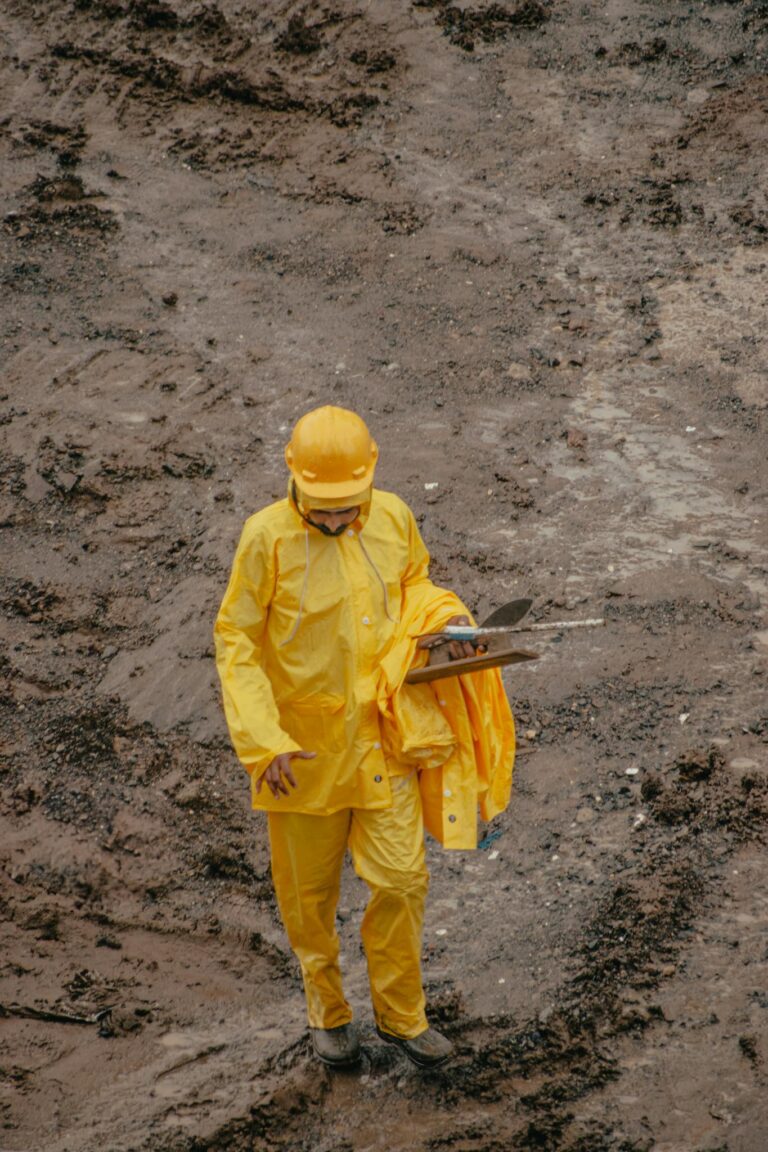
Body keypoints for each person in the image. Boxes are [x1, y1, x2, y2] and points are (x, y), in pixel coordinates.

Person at [214, 405, 516, 1069]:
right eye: (321, 509)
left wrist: (446, 630)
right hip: (301, 756)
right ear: (293, 480)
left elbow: (416, 586)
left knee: (404, 882)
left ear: (370, 481)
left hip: (385, 742)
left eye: (347, 507)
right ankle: (328, 1011)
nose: (333, 520)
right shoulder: (264, 539)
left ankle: (402, 1018)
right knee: (309, 900)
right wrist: (264, 742)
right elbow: (235, 638)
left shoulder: (394, 517)